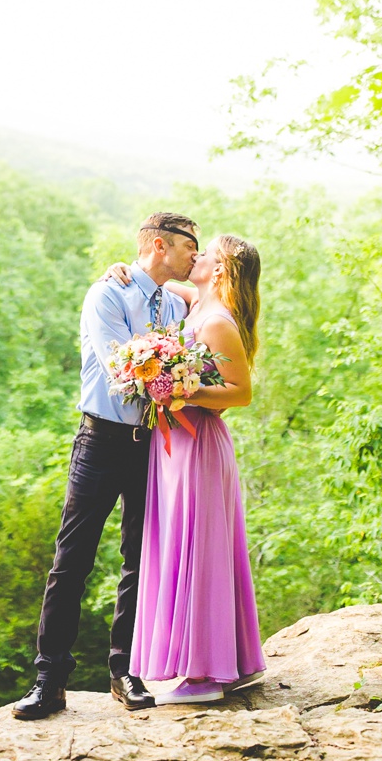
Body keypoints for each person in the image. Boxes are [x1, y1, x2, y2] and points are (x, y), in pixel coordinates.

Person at [12, 212, 200, 720]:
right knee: (71, 561)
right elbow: (122, 366)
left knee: (141, 559)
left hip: (152, 444)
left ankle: (125, 671)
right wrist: (174, 372)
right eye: (189, 246)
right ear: (160, 246)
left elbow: (213, 306)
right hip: (99, 441)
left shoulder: (175, 302)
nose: (195, 256)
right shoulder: (107, 295)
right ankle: (49, 680)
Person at [105, 233, 265, 704]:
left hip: (198, 448)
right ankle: (220, 662)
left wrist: (181, 390)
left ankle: (203, 677)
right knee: (181, 545)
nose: (195, 257)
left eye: (206, 253)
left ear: (220, 270)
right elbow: (153, 279)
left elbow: (240, 393)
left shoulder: (217, 322)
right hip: (173, 444)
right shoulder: (195, 301)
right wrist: (121, 269)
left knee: (199, 551)